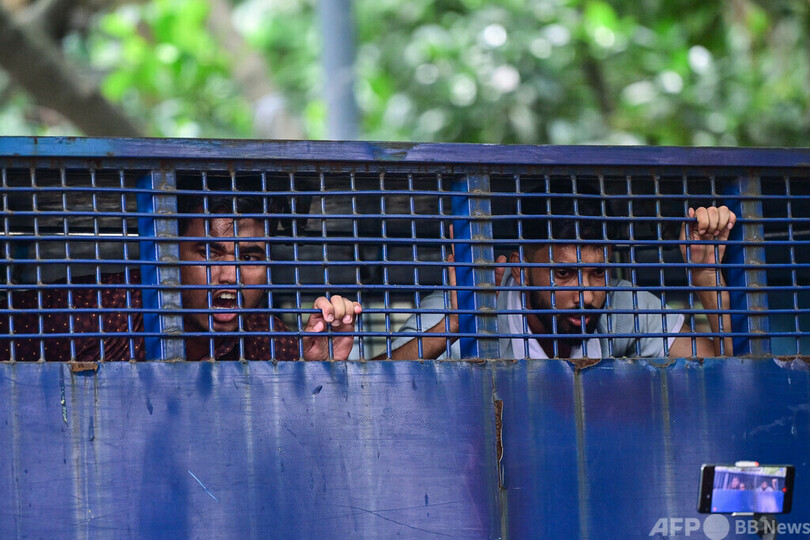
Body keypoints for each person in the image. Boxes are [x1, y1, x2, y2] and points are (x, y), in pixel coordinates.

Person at [0, 176, 361, 362]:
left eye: (250, 259)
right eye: (209, 253)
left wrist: (316, 369)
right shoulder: (88, 310)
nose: (231, 276)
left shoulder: (265, 337)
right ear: (170, 253)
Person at [385, 182, 735, 360]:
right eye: (563, 274)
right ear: (520, 269)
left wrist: (706, 276)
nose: (587, 296)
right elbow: (372, 384)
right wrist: (457, 323)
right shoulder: (467, 302)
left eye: (597, 273)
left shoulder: (622, 304)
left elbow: (730, 371)